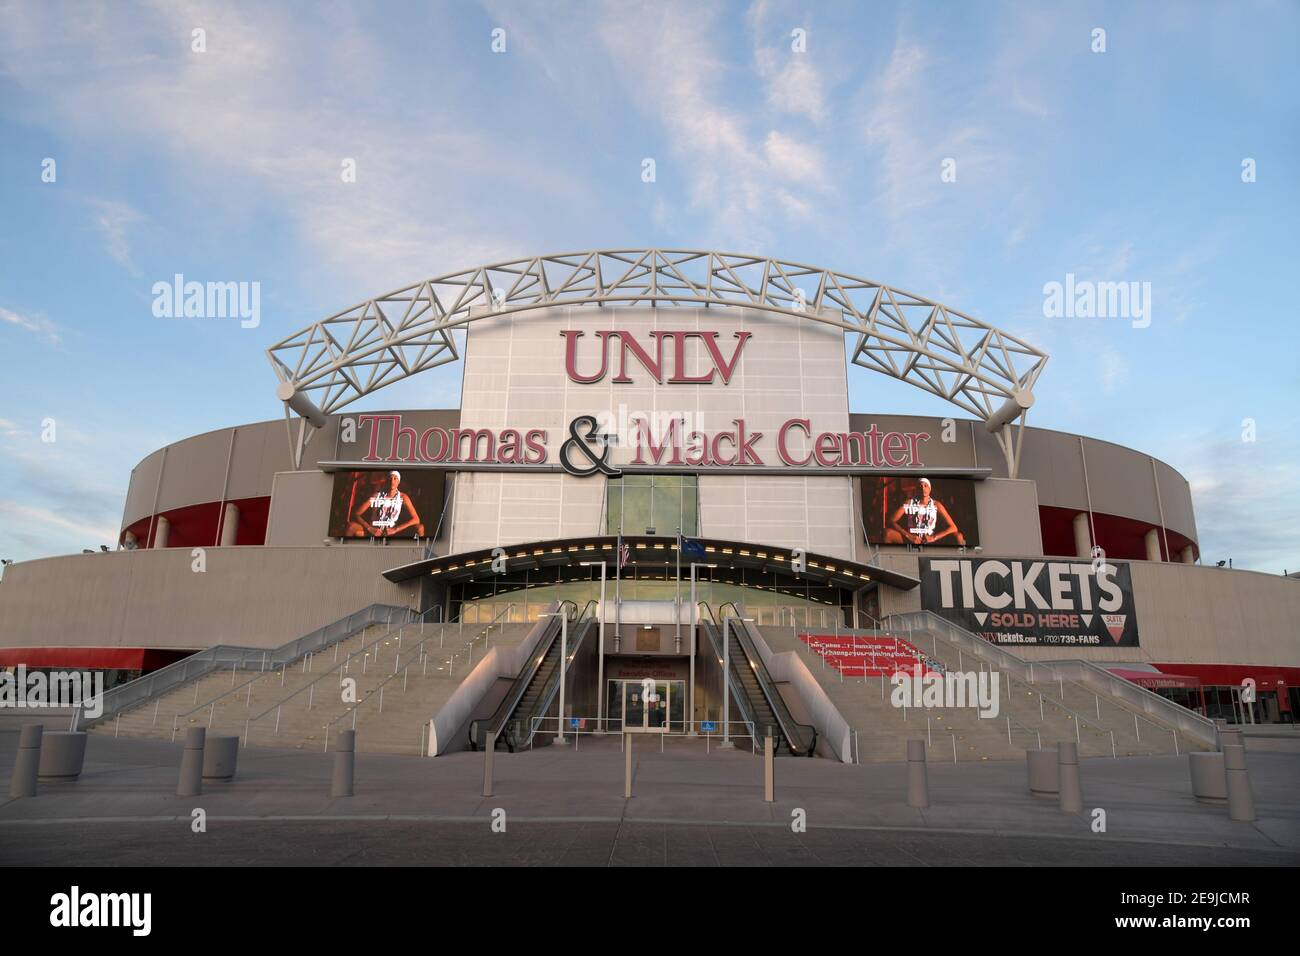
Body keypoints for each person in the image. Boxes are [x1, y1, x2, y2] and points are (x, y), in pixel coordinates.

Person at [884, 477, 965, 546]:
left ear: (929, 489)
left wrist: (934, 537)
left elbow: (953, 528)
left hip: (930, 540)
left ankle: (962, 562)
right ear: (916, 489)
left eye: (925, 486)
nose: (923, 488)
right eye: (920, 486)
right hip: (912, 539)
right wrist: (908, 536)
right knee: (887, 533)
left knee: (959, 536)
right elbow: (891, 521)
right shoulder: (909, 503)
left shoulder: (936, 504)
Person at [348, 470, 424, 538]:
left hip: (392, 531)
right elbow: (356, 514)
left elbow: (416, 519)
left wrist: (395, 529)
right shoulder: (376, 495)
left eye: (395, 478)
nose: (392, 481)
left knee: (420, 528)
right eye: (390, 478)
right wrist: (369, 528)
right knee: (351, 527)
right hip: (375, 530)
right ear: (387, 481)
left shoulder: (403, 497)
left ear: (398, 482)